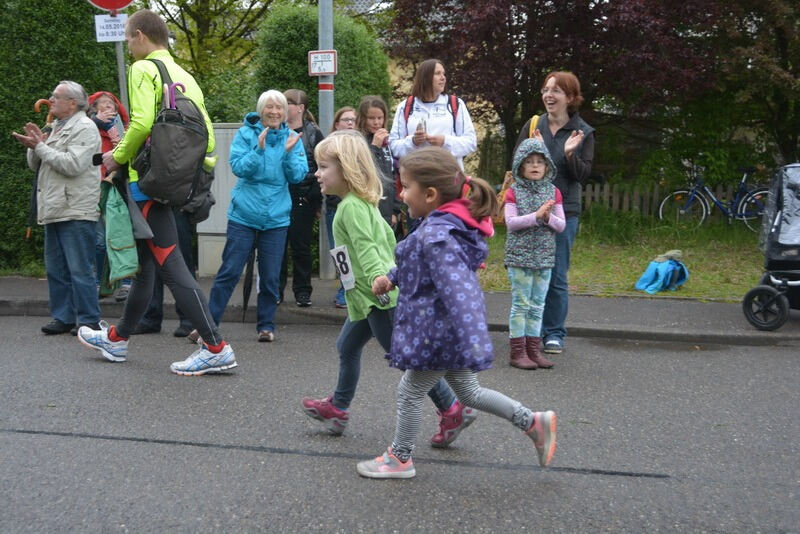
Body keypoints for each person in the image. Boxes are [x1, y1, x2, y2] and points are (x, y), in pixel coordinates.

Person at [356, 146, 557, 479]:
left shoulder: (438, 234)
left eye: (406, 187)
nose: (402, 194)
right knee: (469, 393)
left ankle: (400, 458)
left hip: (440, 333)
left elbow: (459, 289)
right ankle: (534, 422)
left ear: (431, 193)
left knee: (410, 390)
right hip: (444, 331)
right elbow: (416, 260)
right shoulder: (438, 224)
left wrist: (471, 336)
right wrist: (391, 279)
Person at [78, 9, 236, 376]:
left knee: (169, 261)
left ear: (138, 36)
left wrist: (115, 158)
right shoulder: (185, 76)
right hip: (178, 181)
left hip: (145, 182)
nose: (128, 47)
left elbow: (143, 122)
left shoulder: (143, 68)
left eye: (128, 40)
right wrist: (189, 174)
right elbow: (208, 137)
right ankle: (117, 339)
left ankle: (215, 345)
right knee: (147, 267)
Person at [302, 131, 476, 448]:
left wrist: (379, 284)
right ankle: (338, 409)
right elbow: (387, 245)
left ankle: (452, 409)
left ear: (346, 169)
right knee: (347, 346)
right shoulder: (362, 204)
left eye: (324, 167)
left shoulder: (351, 209)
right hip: (366, 299)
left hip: (378, 299)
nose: (317, 173)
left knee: (412, 362)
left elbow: (369, 251)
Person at [201, 90, 306, 343]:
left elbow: (298, 176)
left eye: (279, 108)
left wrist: (290, 153)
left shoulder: (293, 137)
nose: (274, 112)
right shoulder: (246, 134)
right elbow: (238, 168)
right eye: (269, 107)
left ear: (285, 112)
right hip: (244, 216)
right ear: (261, 111)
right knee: (229, 272)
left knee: (270, 276)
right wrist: (258, 149)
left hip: (276, 218)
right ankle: (208, 324)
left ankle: (266, 326)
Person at [514, 71, 594, 355]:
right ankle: (528, 331)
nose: (549, 95)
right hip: (530, 210)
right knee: (529, 270)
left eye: (556, 91)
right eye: (546, 89)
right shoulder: (533, 125)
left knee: (556, 273)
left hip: (564, 212)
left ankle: (554, 333)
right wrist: (532, 147)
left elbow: (582, 176)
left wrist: (571, 154)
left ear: (570, 98)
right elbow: (518, 166)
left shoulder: (582, 131)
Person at [13, 81, 102, 336]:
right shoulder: (55, 126)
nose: (50, 100)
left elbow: (73, 165)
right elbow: (37, 166)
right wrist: (36, 145)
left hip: (75, 207)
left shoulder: (85, 127)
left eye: (56, 97)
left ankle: (89, 320)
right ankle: (63, 317)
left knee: (79, 268)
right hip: (54, 206)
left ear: (72, 102)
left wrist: (40, 146)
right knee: (56, 269)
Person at [504, 138, 565, 369]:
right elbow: (511, 223)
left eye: (540, 161)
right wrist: (536, 216)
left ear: (547, 165)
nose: (535, 166)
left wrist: (548, 217)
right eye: (529, 162)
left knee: (538, 304)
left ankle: (533, 351)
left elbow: (561, 226)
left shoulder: (554, 191)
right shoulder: (513, 192)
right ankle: (517, 353)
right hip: (518, 258)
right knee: (521, 304)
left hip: (544, 258)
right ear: (521, 166)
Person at [279, 89, 325, 308]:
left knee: (301, 247)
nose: (284, 106)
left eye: (289, 102)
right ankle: (275, 291)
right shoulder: (274, 130)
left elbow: (322, 166)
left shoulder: (313, 133)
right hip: (278, 195)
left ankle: (303, 292)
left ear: (301, 108)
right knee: (276, 246)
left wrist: (312, 198)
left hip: (302, 196)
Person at [388, 58, 477, 170]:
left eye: (444, 74)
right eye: (437, 74)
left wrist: (445, 141)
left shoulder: (455, 104)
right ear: (425, 78)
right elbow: (393, 146)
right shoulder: (405, 106)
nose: (443, 78)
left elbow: (471, 142)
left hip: (447, 175)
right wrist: (413, 142)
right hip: (417, 176)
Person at [88, 90, 130, 300]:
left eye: (111, 106)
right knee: (99, 240)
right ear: (93, 110)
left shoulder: (124, 130)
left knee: (121, 235)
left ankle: (126, 283)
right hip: (94, 190)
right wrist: (95, 123)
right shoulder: (88, 129)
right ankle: (100, 283)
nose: (107, 109)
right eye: (102, 106)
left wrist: (111, 129)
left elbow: (124, 151)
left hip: (117, 189)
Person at [324, 106, 357, 309]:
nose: (350, 123)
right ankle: (344, 291)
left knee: (356, 251)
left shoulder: (361, 146)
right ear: (337, 124)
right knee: (340, 253)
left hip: (354, 207)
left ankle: (354, 291)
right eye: (346, 120)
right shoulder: (329, 147)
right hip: (335, 208)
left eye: (353, 119)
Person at [356, 95, 400, 228]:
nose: (376, 122)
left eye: (380, 118)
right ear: (363, 118)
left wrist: (395, 210)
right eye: (371, 118)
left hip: (387, 209)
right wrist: (374, 146)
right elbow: (363, 171)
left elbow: (392, 176)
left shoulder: (386, 142)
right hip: (368, 207)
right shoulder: (357, 140)